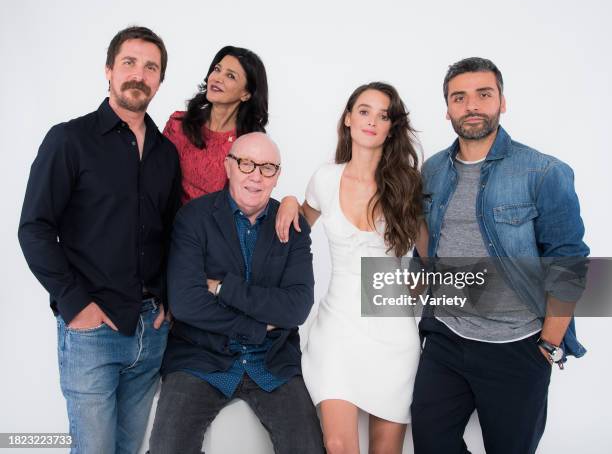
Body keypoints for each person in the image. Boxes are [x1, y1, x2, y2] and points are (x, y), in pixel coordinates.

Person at [410, 57, 589, 454]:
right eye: (460, 97)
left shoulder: (542, 172)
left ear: (501, 102)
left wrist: (549, 344)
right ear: (448, 108)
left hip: (518, 345)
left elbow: (569, 262)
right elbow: (425, 251)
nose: (471, 105)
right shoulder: (433, 171)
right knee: (430, 441)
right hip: (445, 339)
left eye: (483, 94)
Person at [18, 26, 181, 453]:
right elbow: (34, 228)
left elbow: (170, 232)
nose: (138, 74)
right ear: (108, 70)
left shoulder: (166, 154)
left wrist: (166, 298)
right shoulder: (69, 140)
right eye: (129, 62)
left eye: (151, 67)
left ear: (160, 81)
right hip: (92, 331)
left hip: (151, 331)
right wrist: (75, 305)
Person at [148, 132, 324, 454]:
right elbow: (187, 303)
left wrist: (223, 287)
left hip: (272, 361)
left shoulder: (293, 226)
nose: (255, 175)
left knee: (308, 448)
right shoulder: (193, 219)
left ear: (277, 176)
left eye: (267, 167)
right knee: (167, 448)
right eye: (246, 164)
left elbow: (296, 307)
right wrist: (256, 326)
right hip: (199, 358)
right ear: (228, 166)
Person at [276, 83, 426, 454]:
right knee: (338, 445)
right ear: (348, 118)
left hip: (392, 331)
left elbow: (432, 256)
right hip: (337, 328)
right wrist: (290, 200)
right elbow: (294, 239)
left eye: (383, 114)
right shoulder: (325, 178)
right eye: (364, 110)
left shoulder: (408, 183)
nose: (372, 121)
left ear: (392, 126)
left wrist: (410, 291)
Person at [163, 46, 268, 204]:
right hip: (164, 222)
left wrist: (289, 201)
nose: (217, 78)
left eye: (230, 76)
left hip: (212, 227)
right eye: (217, 69)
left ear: (246, 94)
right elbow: (155, 177)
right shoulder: (178, 124)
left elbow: (252, 204)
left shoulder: (248, 146)